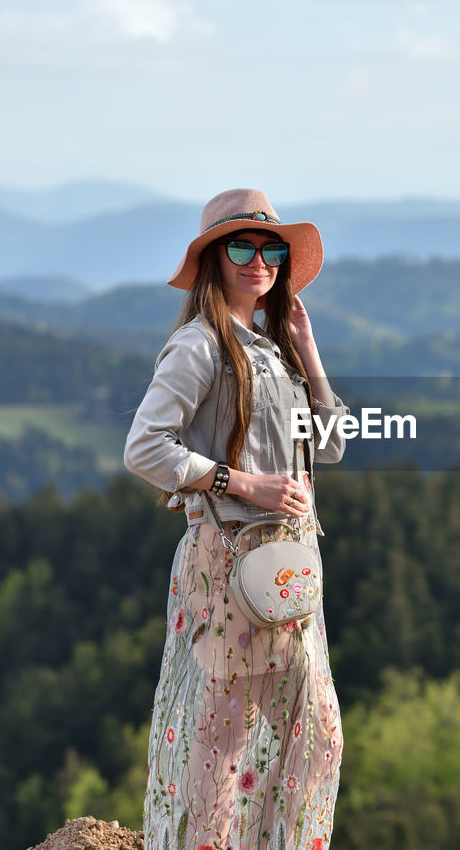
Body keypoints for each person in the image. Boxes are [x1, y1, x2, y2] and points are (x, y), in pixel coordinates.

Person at [124, 188, 351, 849]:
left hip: (283, 571)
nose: (259, 259)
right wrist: (242, 481)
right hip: (226, 568)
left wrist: (308, 350)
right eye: (242, 246)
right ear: (214, 259)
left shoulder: (274, 345)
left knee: (318, 734)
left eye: (270, 247)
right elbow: (144, 447)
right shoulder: (198, 346)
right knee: (223, 740)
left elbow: (331, 442)